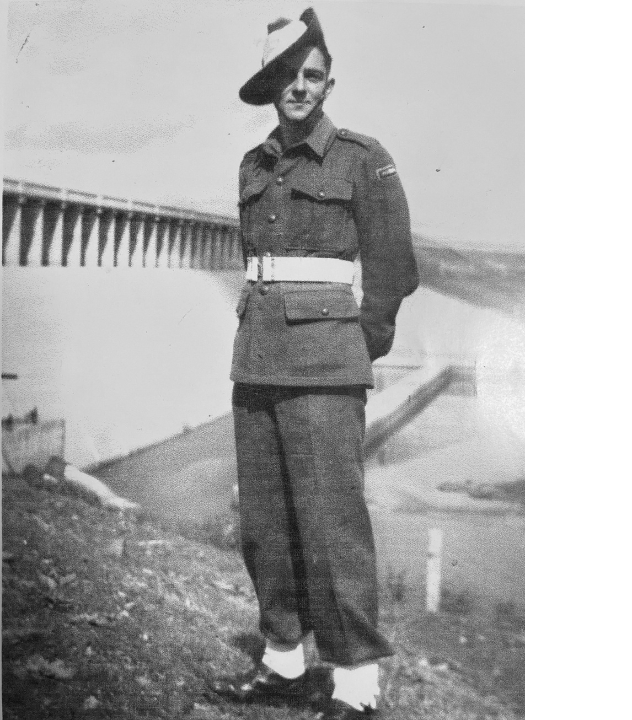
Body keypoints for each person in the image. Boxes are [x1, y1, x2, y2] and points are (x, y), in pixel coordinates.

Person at [212, 8, 418, 719]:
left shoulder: (363, 158)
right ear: (271, 84)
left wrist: (358, 346)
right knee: (264, 523)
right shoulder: (254, 164)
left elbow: (392, 270)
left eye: (313, 75)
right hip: (257, 360)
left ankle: (356, 683)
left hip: (328, 365)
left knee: (331, 523)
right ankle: (283, 664)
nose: (300, 87)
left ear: (328, 83)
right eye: (288, 76)